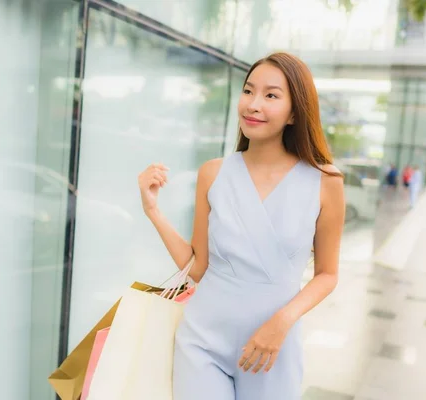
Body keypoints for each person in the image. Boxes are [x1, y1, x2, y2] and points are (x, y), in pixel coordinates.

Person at [138, 52, 345, 399]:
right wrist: (153, 210)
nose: (253, 104)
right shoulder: (214, 173)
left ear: (295, 112)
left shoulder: (325, 182)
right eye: (248, 91)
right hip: (201, 342)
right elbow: (198, 267)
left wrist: (281, 323)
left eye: (271, 95)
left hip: (272, 350)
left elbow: (327, 274)